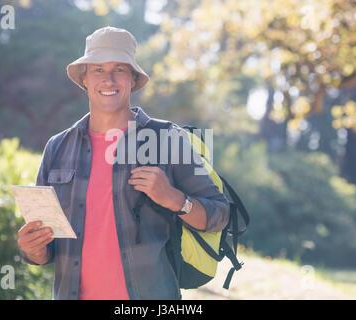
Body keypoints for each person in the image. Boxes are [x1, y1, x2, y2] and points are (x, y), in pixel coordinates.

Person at [17, 26, 230, 300]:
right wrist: (33, 250)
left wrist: (175, 199)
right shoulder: (57, 147)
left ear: (132, 78)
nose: (108, 79)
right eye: (98, 70)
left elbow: (219, 215)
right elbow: (46, 248)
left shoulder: (168, 139)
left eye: (119, 69)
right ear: (84, 79)